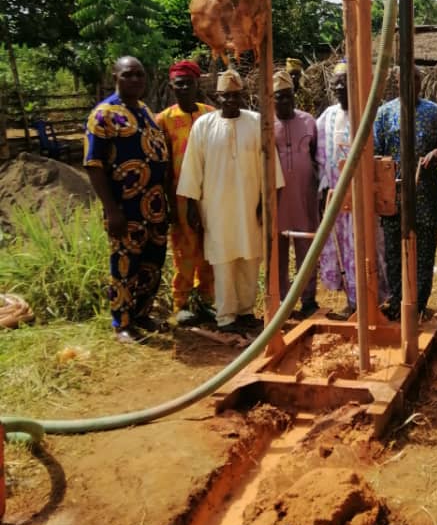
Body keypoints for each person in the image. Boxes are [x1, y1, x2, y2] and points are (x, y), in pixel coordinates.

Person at [177, 69, 285, 334]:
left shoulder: (257, 122)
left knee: (250, 259)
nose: (231, 101)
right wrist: (192, 205)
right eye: (226, 96)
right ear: (217, 96)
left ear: (242, 96)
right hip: (215, 208)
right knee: (223, 261)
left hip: (251, 206)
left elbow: (270, 168)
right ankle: (226, 317)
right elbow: (193, 168)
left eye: (235, 96)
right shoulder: (203, 126)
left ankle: (246, 311)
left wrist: (266, 202)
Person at [83, 56, 169, 343]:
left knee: (151, 264)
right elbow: (93, 164)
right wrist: (111, 210)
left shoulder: (144, 110)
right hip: (125, 207)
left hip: (154, 206)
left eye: (140, 75)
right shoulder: (103, 115)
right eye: (128, 75)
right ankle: (122, 323)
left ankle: (142, 313)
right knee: (124, 266)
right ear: (115, 77)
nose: (135, 80)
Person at [373, 67, 437, 318]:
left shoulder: (433, 112)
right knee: (394, 253)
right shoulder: (384, 113)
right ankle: (397, 304)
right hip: (393, 195)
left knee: (424, 252)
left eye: (416, 79)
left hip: (425, 194)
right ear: (396, 83)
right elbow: (376, 151)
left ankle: (418, 307)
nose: (411, 84)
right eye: (406, 79)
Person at [316, 60, 388, 316]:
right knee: (343, 249)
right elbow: (322, 159)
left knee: (369, 246)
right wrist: (325, 189)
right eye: (336, 85)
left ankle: (374, 301)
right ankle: (353, 301)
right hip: (339, 198)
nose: (339, 89)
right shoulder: (327, 117)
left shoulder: (370, 115)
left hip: (365, 194)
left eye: (344, 84)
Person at [157, 60, 215, 324]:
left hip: (211, 193)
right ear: (172, 86)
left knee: (210, 247)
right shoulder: (164, 120)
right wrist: (168, 201)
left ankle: (206, 300)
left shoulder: (211, 114)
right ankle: (181, 302)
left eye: (188, 83)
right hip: (179, 194)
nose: (184, 88)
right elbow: (163, 164)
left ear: (197, 84)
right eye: (179, 84)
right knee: (184, 248)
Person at [274, 68, 319, 319]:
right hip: (278, 199)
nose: (283, 100)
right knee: (278, 249)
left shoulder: (309, 121)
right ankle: (282, 299)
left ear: (294, 96)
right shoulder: (265, 125)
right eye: (278, 96)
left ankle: (308, 298)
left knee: (306, 246)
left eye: (287, 95)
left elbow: (316, 157)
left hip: (305, 196)